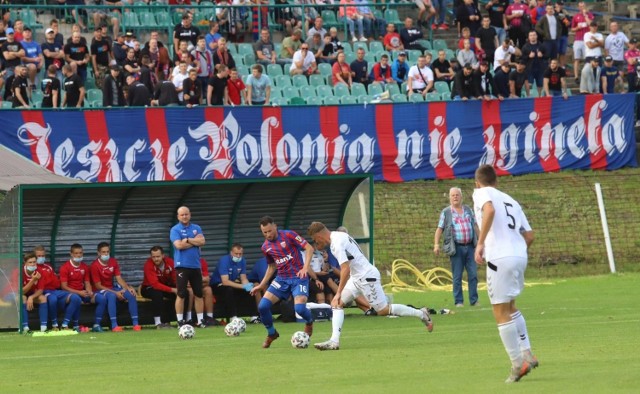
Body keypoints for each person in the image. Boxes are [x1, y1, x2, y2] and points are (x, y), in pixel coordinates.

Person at [308, 221, 433, 351]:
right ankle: (334, 341)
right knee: (337, 303)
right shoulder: (339, 235)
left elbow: (345, 269)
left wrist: (338, 292)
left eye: (315, 240)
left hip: (367, 277)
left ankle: (421, 313)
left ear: (319, 235)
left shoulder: (336, 244)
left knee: (383, 310)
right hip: (357, 277)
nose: (316, 244)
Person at [472, 164, 537, 383]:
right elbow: (529, 236)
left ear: (477, 182)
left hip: (500, 256)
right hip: (519, 255)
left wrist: (480, 244)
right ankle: (527, 352)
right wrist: (516, 254)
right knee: (510, 307)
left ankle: (518, 364)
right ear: (496, 180)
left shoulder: (481, 193)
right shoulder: (511, 200)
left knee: (500, 312)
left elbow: (489, 210)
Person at [248, 216, 317, 348]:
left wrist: (305, 268)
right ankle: (272, 333)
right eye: (264, 232)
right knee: (262, 306)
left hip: (298, 277)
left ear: (275, 226)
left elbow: (309, 248)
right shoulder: (265, 247)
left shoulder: (289, 235)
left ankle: (309, 322)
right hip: (281, 279)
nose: (268, 234)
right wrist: (262, 285)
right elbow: (272, 266)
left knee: (300, 309)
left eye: (269, 231)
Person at [433, 187, 479, 307]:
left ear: (461, 197)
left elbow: (475, 226)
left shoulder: (468, 210)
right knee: (457, 276)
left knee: (473, 274)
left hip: (470, 247)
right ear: (449, 198)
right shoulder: (446, 212)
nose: (455, 197)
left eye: (457, 195)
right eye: (453, 195)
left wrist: (480, 243)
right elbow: (439, 229)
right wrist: (436, 244)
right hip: (456, 248)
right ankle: (459, 301)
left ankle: (474, 300)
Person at [90, 242, 141, 332]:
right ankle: (114, 325)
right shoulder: (94, 265)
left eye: (107, 252)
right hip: (100, 290)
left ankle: (136, 324)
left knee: (131, 294)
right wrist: (115, 292)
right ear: (98, 253)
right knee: (111, 296)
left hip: (112, 288)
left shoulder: (113, 261)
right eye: (103, 252)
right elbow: (98, 285)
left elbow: (119, 278)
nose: (106, 254)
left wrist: (127, 288)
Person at [170, 206, 207, 328]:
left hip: (195, 265)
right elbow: (179, 245)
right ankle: (180, 321)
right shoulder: (175, 230)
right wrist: (193, 241)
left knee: (199, 293)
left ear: (190, 214)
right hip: (182, 266)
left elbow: (202, 242)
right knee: (181, 293)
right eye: (182, 215)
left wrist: (187, 240)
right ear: (178, 216)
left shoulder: (196, 228)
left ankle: (200, 320)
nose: (184, 216)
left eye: (186, 214)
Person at [59, 243, 108, 332]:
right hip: (69, 294)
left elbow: (87, 282)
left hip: (82, 293)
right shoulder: (65, 267)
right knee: (76, 298)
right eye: (76, 253)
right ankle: (66, 325)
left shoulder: (85, 267)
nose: (79, 255)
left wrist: (89, 291)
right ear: (71, 254)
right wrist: (79, 292)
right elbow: (63, 287)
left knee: (101, 299)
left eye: (80, 253)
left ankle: (96, 325)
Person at [210, 243, 253, 322]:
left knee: (251, 290)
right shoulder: (224, 261)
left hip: (231, 283)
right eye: (236, 254)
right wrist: (243, 286)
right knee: (228, 290)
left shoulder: (242, 261)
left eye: (240, 254)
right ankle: (233, 317)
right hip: (217, 285)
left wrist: (248, 286)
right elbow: (225, 281)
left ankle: (254, 316)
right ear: (231, 253)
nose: (238, 256)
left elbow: (243, 278)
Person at [141, 246, 177, 329]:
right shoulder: (148, 264)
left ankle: (182, 320)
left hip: (164, 286)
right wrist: (172, 290)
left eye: (158, 256)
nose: (156, 259)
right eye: (153, 257)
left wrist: (178, 288)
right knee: (157, 294)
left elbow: (175, 278)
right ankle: (158, 323)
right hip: (148, 288)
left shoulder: (170, 262)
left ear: (163, 255)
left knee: (181, 293)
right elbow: (155, 285)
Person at [21, 252, 48, 333]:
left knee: (43, 298)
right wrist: (33, 280)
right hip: (19, 294)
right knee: (23, 298)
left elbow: (40, 290)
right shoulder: (19, 271)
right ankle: (25, 327)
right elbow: (21, 291)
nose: (33, 264)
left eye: (34, 262)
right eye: (30, 262)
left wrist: (31, 297)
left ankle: (44, 328)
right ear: (25, 263)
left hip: (33, 293)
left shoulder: (39, 271)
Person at [570, 1, 594, 83]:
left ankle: (585, 75)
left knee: (587, 59)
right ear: (578, 7)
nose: (582, 8)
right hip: (578, 40)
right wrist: (577, 28)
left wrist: (585, 15)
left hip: (587, 40)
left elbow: (591, 24)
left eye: (583, 6)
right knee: (577, 59)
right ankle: (576, 76)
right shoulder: (575, 17)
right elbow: (572, 29)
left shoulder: (589, 15)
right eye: (580, 6)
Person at [521, 30, 547, 96]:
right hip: (529, 69)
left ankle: (539, 97)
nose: (532, 37)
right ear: (529, 37)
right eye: (531, 35)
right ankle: (529, 96)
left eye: (534, 35)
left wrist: (542, 55)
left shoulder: (542, 45)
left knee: (540, 85)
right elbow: (522, 59)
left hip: (540, 69)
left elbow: (547, 56)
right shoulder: (525, 47)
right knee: (529, 84)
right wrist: (528, 56)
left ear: (536, 36)